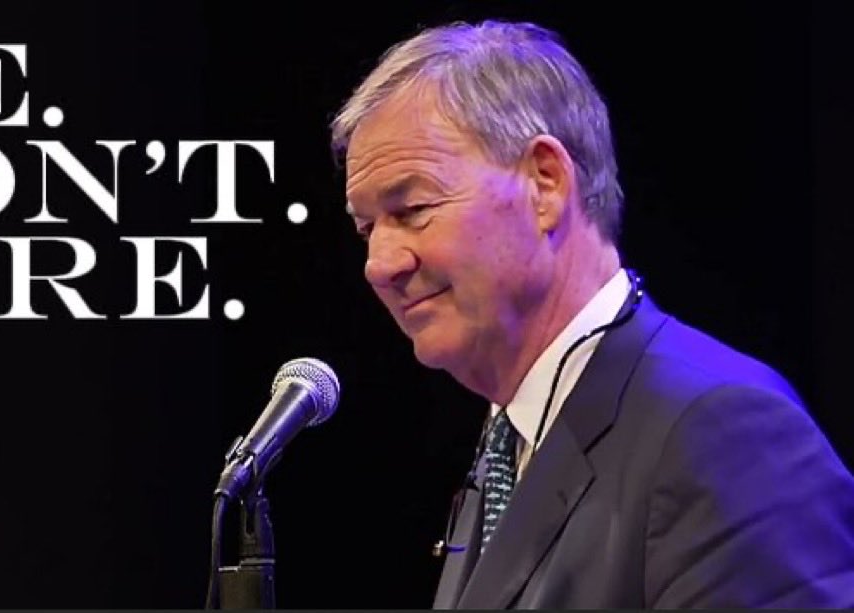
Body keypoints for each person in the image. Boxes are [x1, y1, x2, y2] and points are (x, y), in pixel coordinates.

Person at [329, 19, 854, 608]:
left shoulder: (722, 432)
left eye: (412, 209)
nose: (379, 265)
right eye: (366, 228)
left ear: (545, 184)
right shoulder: (507, 449)